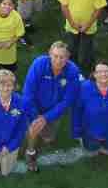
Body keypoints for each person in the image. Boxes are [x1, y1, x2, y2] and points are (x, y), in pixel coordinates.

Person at [21, 41, 80, 171]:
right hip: (34, 106)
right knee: (33, 130)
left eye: (62, 57)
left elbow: (67, 100)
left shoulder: (73, 71)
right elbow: (28, 93)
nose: (58, 60)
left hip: (54, 110)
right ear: (49, 54)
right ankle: (30, 153)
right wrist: (36, 117)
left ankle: (39, 138)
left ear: (68, 57)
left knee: (47, 138)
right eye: (55, 56)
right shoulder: (39, 64)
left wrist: (46, 118)